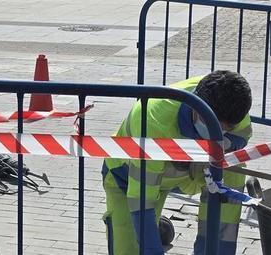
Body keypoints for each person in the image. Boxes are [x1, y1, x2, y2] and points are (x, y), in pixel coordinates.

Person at [101, 70, 253, 255]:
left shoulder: (234, 103)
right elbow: (141, 199)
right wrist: (152, 250)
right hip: (126, 177)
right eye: (212, 124)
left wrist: (212, 148)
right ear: (196, 105)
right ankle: (153, 232)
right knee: (129, 250)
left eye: (225, 128)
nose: (217, 131)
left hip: (187, 173)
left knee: (233, 169)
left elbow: (242, 135)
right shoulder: (152, 119)